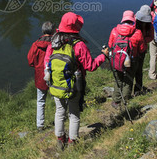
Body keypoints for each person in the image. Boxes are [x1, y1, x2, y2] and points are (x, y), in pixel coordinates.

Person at [43, 12, 108, 149]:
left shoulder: (53, 42)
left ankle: (60, 139)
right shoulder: (79, 45)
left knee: (60, 111)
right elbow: (90, 66)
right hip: (74, 86)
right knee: (74, 114)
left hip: (56, 84)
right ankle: (73, 143)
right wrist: (103, 56)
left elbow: (47, 62)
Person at [108, 10, 145, 108]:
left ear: (123, 19)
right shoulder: (137, 32)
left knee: (118, 80)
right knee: (128, 80)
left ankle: (116, 101)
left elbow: (110, 45)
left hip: (116, 60)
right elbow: (142, 49)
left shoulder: (114, 31)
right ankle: (125, 99)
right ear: (133, 20)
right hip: (131, 61)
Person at [26, 21, 54, 130]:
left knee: (41, 101)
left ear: (43, 31)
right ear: (52, 31)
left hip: (40, 76)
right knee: (58, 99)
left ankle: (40, 125)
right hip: (55, 75)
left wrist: (38, 66)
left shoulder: (35, 45)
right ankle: (60, 119)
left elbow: (30, 61)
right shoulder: (56, 43)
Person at [134, 5, 153, 95]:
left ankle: (137, 91)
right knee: (131, 70)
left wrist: (143, 40)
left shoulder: (150, 25)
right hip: (133, 49)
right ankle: (128, 90)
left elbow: (151, 37)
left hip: (141, 51)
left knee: (139, 71)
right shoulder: (134, 22)